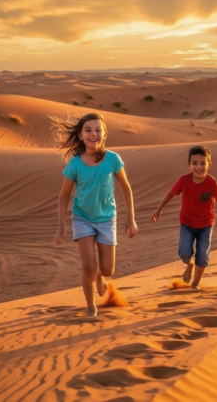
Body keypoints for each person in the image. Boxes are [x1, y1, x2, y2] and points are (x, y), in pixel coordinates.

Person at [54, 113, 138, 316]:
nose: (93, 134)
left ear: (105, 134)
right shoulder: (74, 164)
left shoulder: (113, 159)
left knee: (107, 269)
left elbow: (125, 187)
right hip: (82, 218)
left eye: (98, 130)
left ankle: (101, 275)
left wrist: (130, 217)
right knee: (88, 265)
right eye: (88, 130)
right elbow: (64, 195)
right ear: (81, 136)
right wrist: (62, 223)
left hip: (107, 219)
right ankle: (91, 306)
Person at [151, 145, 217, 289]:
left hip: (206, 225)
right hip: (187, 224)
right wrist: (158, 210)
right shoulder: (184, 180)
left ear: (209, 165)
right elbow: (170, 194)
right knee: (185, 253)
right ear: (189, 165)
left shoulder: (212, 183)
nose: (198, 167)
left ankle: (195, 284)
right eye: (194, 163)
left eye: (202, 163)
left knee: (203, 257)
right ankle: (189, 264)